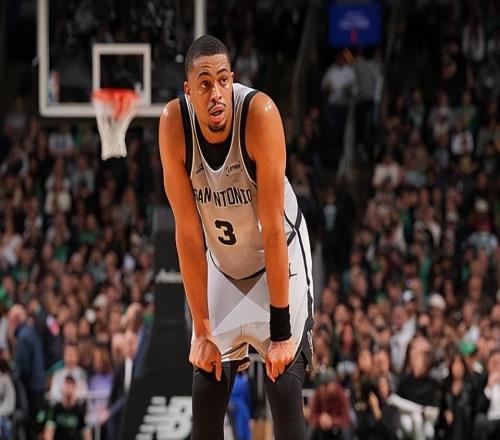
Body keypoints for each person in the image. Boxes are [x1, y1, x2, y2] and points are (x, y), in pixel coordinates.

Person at [158, 35, 314, 440]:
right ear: (188, 91)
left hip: (278, 257)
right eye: (205, 84)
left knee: (284, 386)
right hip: (224, 263)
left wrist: (281, 333)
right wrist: (202, 330)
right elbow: (188, 236)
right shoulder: (173, 124)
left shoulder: (260, 115)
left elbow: (273, 230)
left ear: (233, 80)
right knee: (206, 389)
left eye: (223, 80)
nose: (216, 93)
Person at [44, 375, 91, 440]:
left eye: (71, 385)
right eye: (67, 385)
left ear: (75, 388)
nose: (68, 388)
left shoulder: (80, 411)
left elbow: (86, 434)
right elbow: (49, 432)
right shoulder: (55, 409)